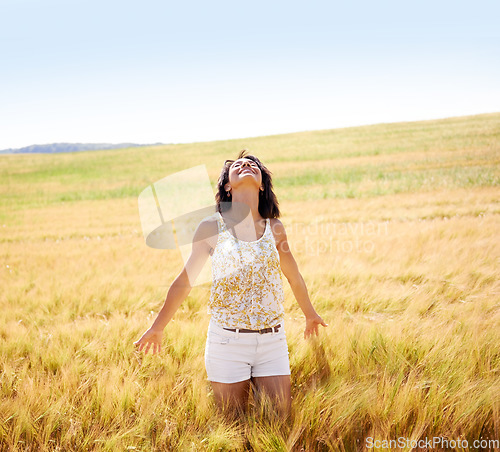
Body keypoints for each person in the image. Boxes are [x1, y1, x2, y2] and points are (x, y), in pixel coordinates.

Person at [134, 150, 327, 418]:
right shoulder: (211, 227)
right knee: (232, 425)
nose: (247, 165)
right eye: (238, 165)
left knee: (280, 421)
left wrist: (310, 314)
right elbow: (185, 281)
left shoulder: (275, 228)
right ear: (227, 185)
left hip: (272, 341)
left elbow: (293, 276)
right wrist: (157, 327)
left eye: (253, 165)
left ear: (261, 184)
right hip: (227, 343)